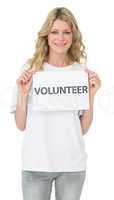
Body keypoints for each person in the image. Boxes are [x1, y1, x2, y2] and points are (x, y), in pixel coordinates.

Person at [10, 7, 101, 200]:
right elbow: (20, 125)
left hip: (72, 166)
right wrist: (23, 94)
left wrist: (91, 95)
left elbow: (83, 129)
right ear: (46, 35)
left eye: (66, 32)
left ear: (73, 35)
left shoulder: (80, 73)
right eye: (55, 32)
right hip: (35, 165)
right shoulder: (30, 70)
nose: (60, 38)